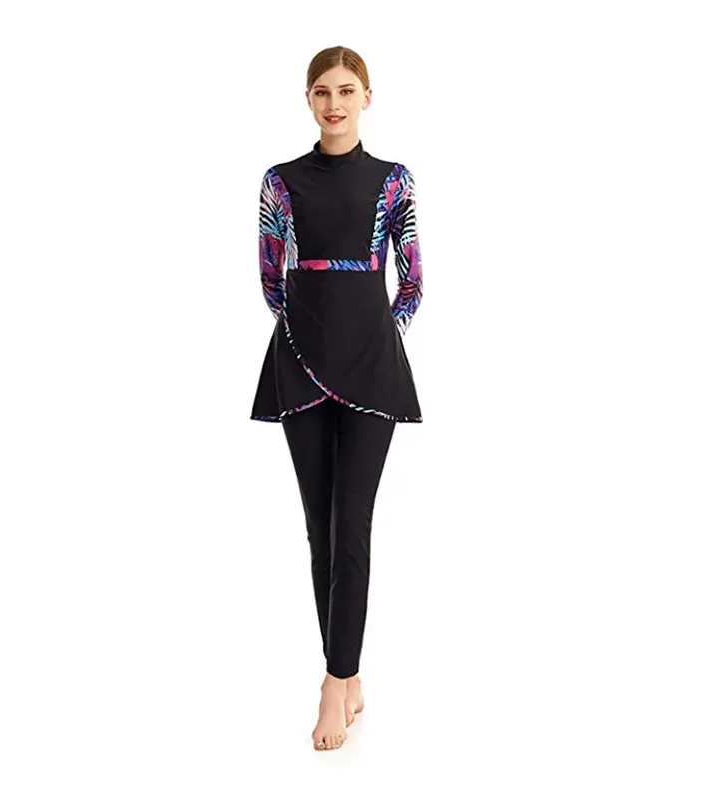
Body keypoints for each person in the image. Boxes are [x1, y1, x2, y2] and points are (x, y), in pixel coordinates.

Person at [250, 46, 424, 751]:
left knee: (353, 524)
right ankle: (347, 674)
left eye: (347, 91)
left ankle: (333, 680)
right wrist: (313, 333)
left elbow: (411, 280)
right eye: (322, 92)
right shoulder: (281, 181)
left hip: (373, 369)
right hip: (300, 363)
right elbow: (271, 277)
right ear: (308, 99)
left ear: (367, 97)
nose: (334, 104)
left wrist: (375, 335)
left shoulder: (393, 180)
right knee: (319, 528)